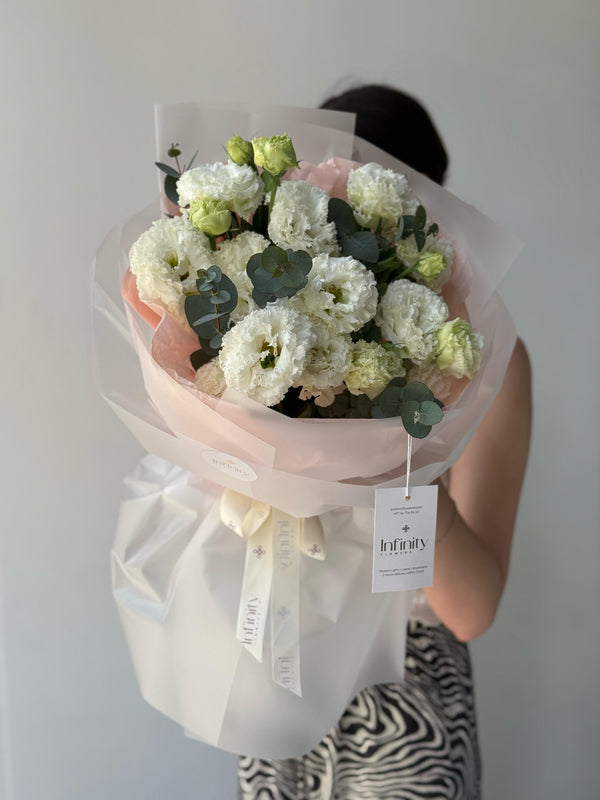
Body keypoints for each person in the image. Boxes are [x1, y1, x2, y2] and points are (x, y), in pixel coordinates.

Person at [238, 84, 532, 800]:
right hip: (282, 680)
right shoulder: (267, 334)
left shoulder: (484, 354)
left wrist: (383, 454)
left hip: (409, 717)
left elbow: (472, 609)